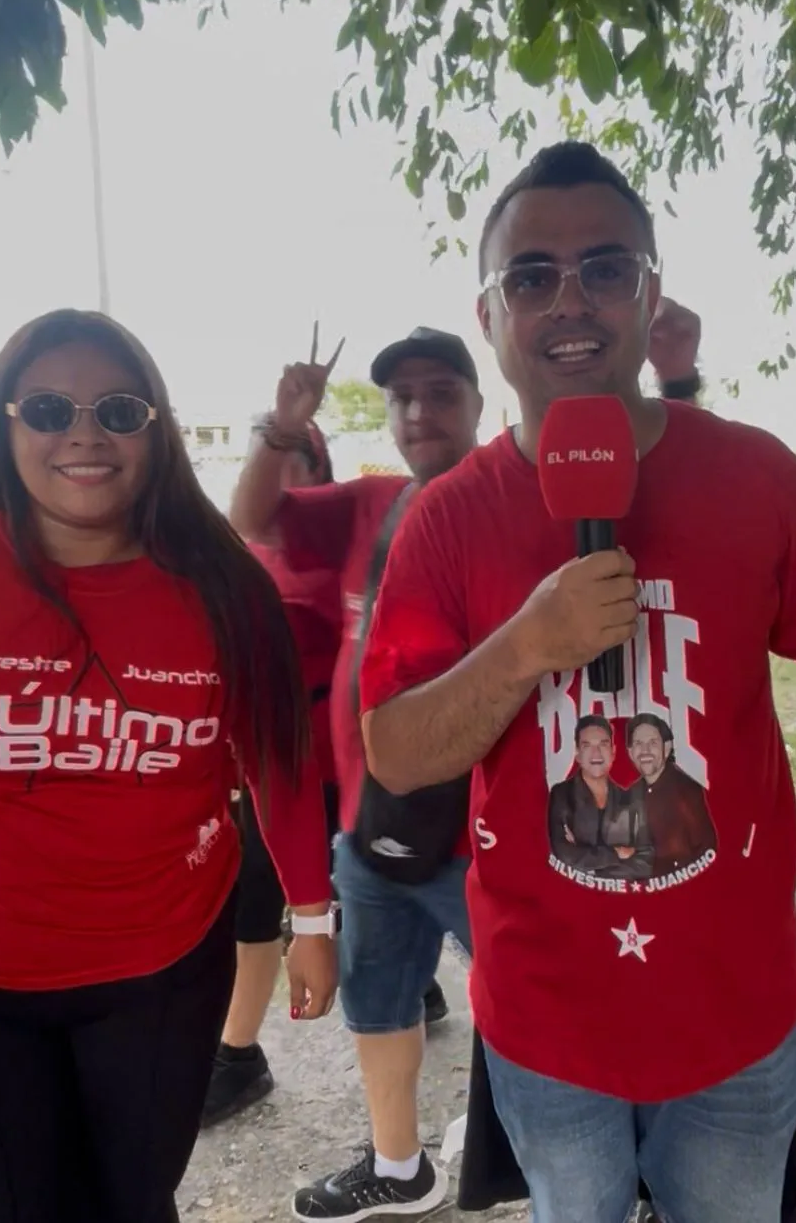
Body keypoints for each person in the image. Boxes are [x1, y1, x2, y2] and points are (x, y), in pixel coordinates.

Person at [358, 140, 796, 1223]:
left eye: (605, 267)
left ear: (650, 294)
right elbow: (398, 749)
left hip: (736, 1013)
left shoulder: (756, 473)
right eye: (531, 275)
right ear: (490, 315)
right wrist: (529, 644)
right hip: (545, 1022)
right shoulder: (443, 517)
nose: (569, 299)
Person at [0, 308, 336, 1223]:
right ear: (4, 423)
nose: (82, 431)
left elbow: (278, 762)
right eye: (46, 407)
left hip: (158, 968)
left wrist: (309, 916)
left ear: (155, 432)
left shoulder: (224, 586)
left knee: (127, 1204)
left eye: (118, 410)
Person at [231, 326, 483, 1221]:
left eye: (441, 391)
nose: (419, 411)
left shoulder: (519, 502)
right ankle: (398, 1165)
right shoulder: (367, 505)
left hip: (489, 834)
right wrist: (282, 426)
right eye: (401, 396)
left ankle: (597, 1171)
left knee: (548, 1009)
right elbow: (251, 522)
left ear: (479, 401)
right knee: (377, 1003)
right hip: (372, 826)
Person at [204, 422, 340, 1124]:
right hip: (275, 764)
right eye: (263, 465)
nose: (274, 482)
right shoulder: (240, 560)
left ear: (319, 473)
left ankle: (236, 1054)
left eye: (289, 465)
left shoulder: (350, 549)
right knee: (252, 899)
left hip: (350, 763)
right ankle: (237, 1051)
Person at [547, 713, 652, 881]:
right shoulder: (562, 795)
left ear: (613, 751)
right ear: (577, 753)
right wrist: (616, 853)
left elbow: (647, 863)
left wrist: (589, 868)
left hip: (621, 901)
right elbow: (564, 855)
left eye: (603, 745)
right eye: (587, 745)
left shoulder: (629, 800)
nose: (596, 753)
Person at [625, 714, 716, 880]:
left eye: (652, 743)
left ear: (666, 749)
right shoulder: (630, 795)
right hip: (640, 894)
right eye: (638, 743)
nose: (645, 750)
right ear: (630, 752)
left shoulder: (687, 790)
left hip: (684, 893)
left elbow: (707, 850)